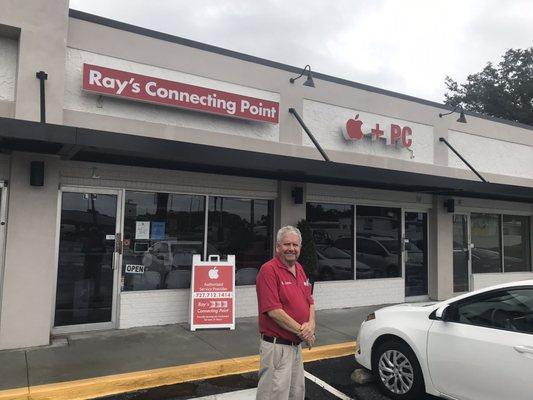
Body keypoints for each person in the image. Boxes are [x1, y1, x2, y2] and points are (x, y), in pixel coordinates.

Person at [255, 225, 316, 400]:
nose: (291, 249)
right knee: (274, 395)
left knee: (296, 394)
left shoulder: (300, 269)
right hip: (277, 348)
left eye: (295, 245)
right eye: (286, 244)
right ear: (278, 247)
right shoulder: (269, 270)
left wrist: (311, 326)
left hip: (295, 347)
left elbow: (310, 301)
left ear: (300, 248)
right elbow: (273, 311)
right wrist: (304, 333)